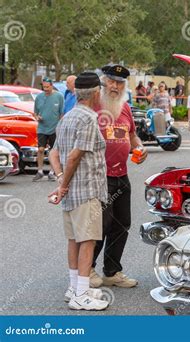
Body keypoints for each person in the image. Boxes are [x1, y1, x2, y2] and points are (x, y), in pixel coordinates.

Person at [48, 72, 109, 311]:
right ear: (96, 93)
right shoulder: (89, 119)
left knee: (74, 239)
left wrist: (61, 180)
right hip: (85, 191)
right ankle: (81, 295)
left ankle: (75, 287)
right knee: (88, 241)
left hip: (71, 192)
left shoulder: (67, 118)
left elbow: (54, 153)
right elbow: (74, 155)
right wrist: (63, 185)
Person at [89, 64, 147, 289]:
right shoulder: (92, 106)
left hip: (121, 174)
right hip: (98, 177)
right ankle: (88, 269)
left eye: (120, 82)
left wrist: (140, 148)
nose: (114, 86)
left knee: (122, 224)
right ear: (102, 81)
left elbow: (132, 135)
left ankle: (111, 272)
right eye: (111, 81)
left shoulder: (125, 108)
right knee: (99, 226)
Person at [33, 77, 64, 181]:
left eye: (47, 87)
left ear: (51, 85)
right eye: (44, 87)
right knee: (41, 149)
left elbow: (62, 113)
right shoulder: (39, 97)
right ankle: (40, 171)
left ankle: (52, 172)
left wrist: (59, 126)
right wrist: (37, 117)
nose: (45, 89)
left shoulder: (59, 96)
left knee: (53, 151)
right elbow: (35, 113)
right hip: (42, 127)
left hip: (54, 128)